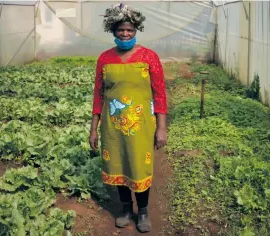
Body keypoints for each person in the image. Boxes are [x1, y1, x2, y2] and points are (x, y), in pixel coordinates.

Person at [89, 3, 168, 233]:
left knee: (139, 165)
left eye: (130, 30)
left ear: (136, 31)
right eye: (121, 30)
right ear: (113, 31)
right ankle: (125, 208)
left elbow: (160, 94)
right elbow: (99, 95)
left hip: (141, 125)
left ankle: (142, 210)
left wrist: (161, 127)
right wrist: (94, 129)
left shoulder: (149, 57)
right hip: (112, 127)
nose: (125, 34)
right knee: (118, 165)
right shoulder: (105, 59)